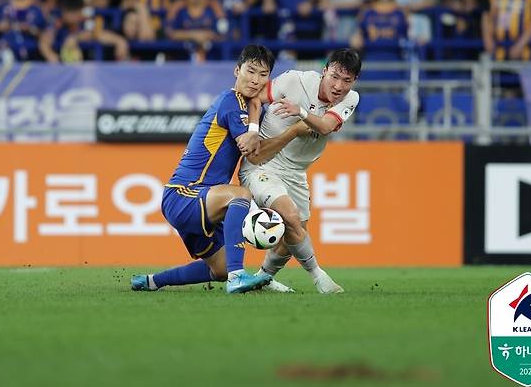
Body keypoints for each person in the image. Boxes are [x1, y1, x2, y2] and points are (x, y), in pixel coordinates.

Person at [131, 45, 310, 294]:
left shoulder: (250, 108)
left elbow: (258, 154)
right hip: (185, 193)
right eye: (251, 71)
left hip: (203, 200)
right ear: (237, 70)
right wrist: (293, 131)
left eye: (263, 74)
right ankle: (237, 277)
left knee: (219, 269)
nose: (256, 80)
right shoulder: (231, 100)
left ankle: (152, 281)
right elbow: (253, 150)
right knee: (241, 195)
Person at [238, 48, 361, 294]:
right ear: (324, 70)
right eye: (334, 76)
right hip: (263, 163)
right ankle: (319, 277)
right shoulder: (296, 80)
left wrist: (301, 113)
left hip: (296, 172)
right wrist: (252, 129)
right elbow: (256, 98)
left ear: (354, 81)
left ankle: (262, 278)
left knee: (295, 233)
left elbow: (325, 126)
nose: (338, 86)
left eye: (346, 81)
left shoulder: (351, 99)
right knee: (290, 218)